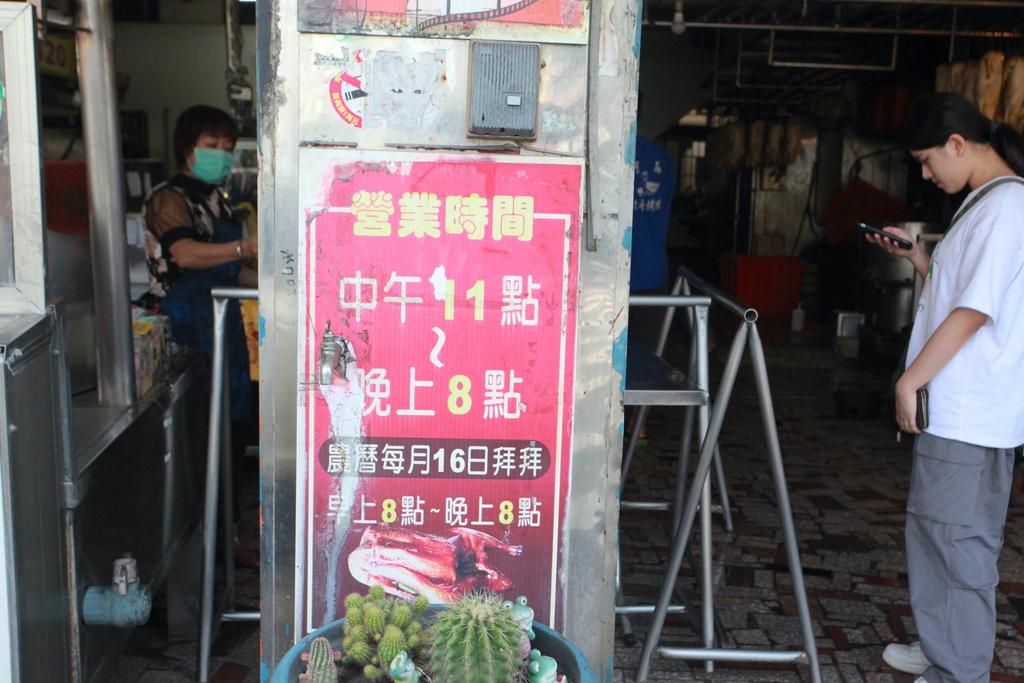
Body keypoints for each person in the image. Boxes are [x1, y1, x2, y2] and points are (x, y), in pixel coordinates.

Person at [864, 92, 1024, 683]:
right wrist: (922, 260)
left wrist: (910, 380)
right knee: (943, 537)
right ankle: (944, 646)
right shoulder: (986, 203)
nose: (927, 174)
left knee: (956, 546)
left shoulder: (1005, 208)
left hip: (969, 412)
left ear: (959, 145)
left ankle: (958, 670)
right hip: (969, 412)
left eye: (929, 160)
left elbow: (974, 312)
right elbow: (967, 291)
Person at [143, 104, 259, 567]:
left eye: (228, 149)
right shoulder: (167, 197)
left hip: (224, 329)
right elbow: (187, 255)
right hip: (187, 329)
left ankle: (228, 540)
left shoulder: (220, 200)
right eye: (212, 147)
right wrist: (242, 246)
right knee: (196, 440)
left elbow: (238, 271)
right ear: (187, 147)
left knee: (230, 436)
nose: (222, 156)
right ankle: (197, 554)